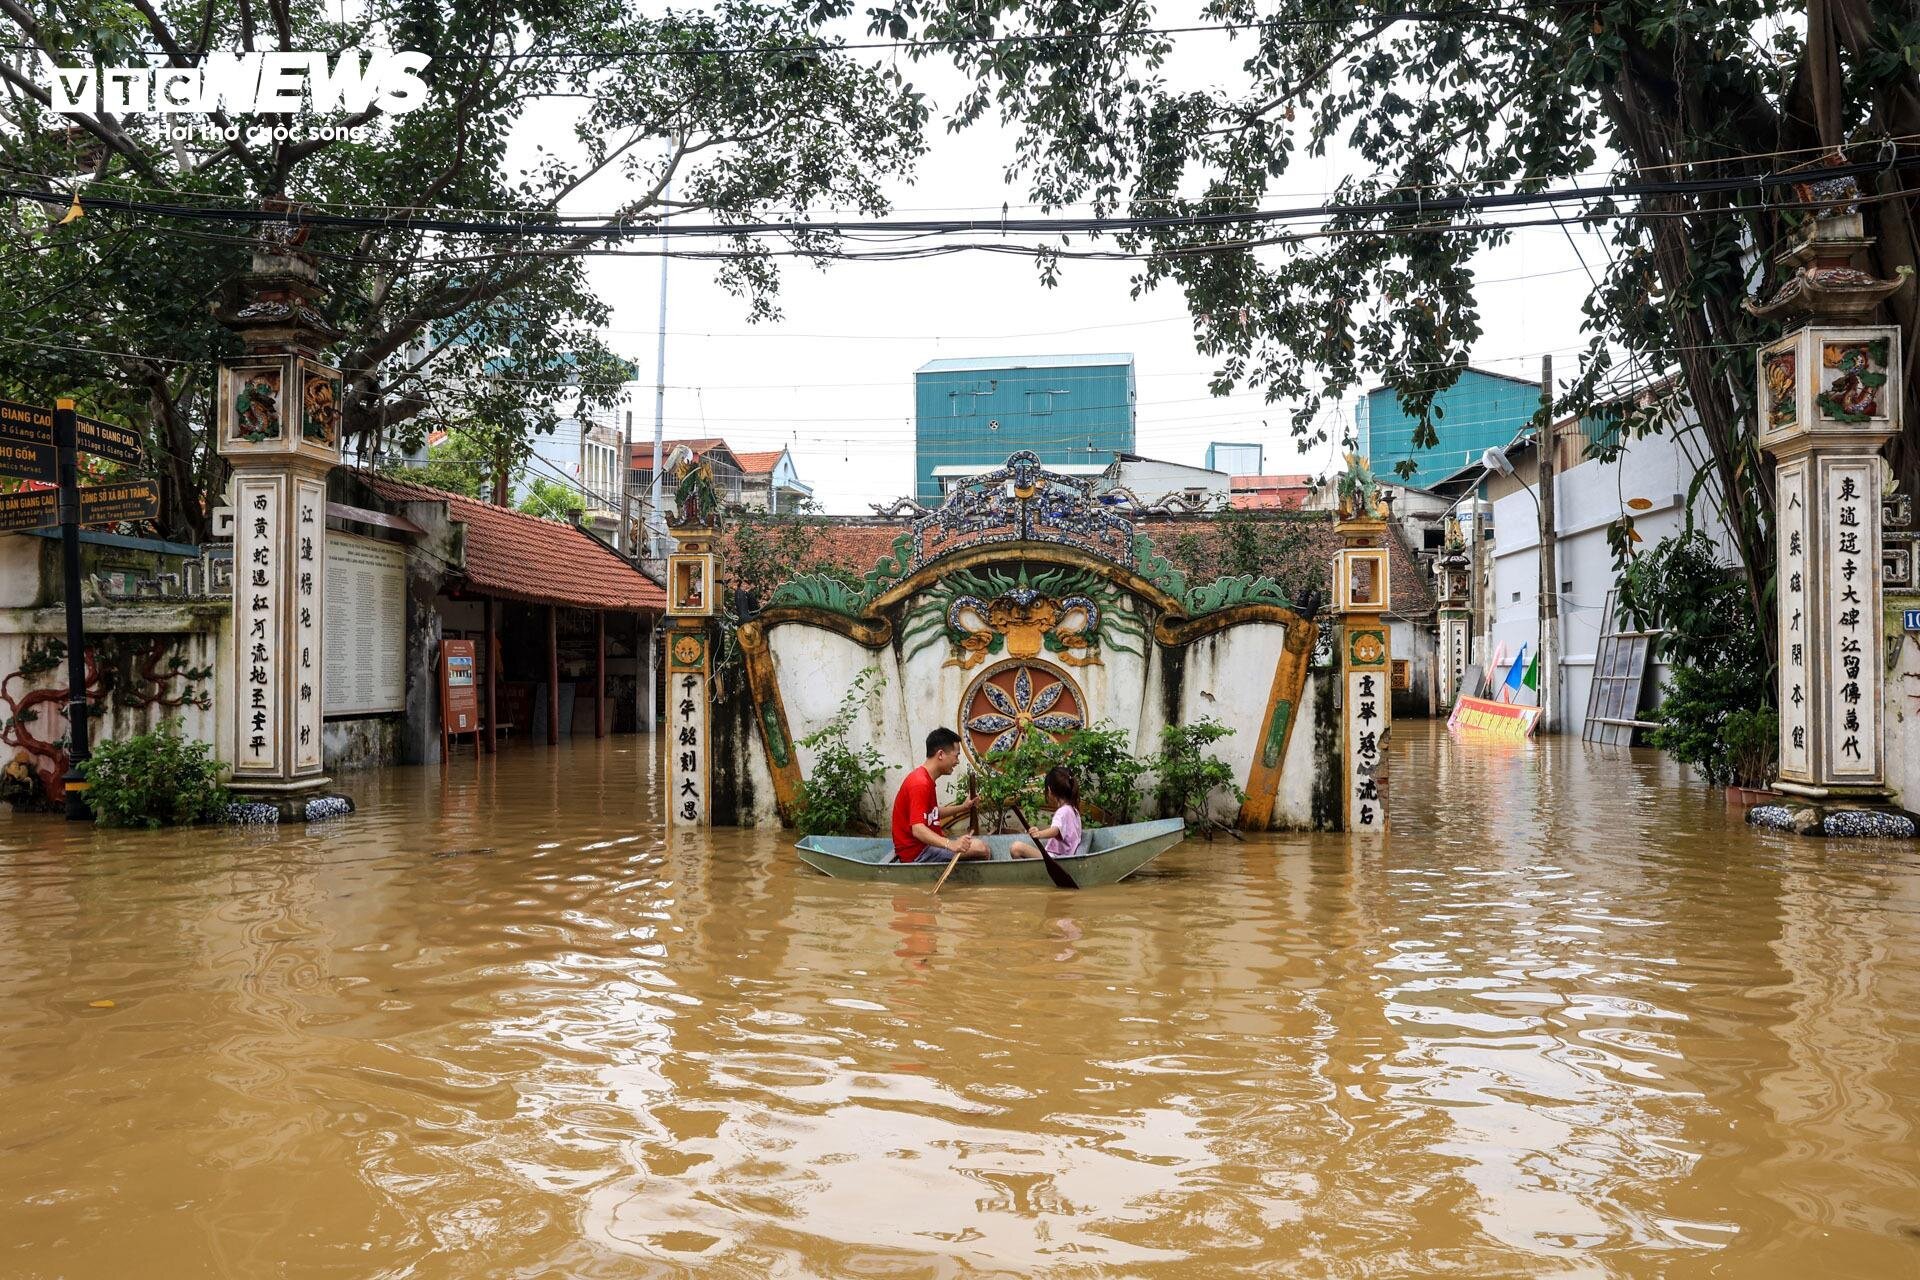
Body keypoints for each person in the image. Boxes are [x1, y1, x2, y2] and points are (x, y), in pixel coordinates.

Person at [891, 728, 988, 864]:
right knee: (981, 848)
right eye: (956, 756)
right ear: (941, 754)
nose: (957, 761)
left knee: (977, 846)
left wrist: (964, 807)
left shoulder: (925, 779)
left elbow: (932, 813)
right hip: (917, 854)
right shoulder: (920, 783)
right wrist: (951, 844)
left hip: (925, 847)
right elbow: (918, 829)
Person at [1010, 766, 1083, 862]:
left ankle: (1030, 874)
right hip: (1064, 859)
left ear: (1049, 790)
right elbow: (1061, 830)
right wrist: (1039, 831)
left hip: (1055, 860)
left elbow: (1055, 830)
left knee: (1016, 848)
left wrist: (1039, 834)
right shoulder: (1073, 810)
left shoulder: (1062, 812)